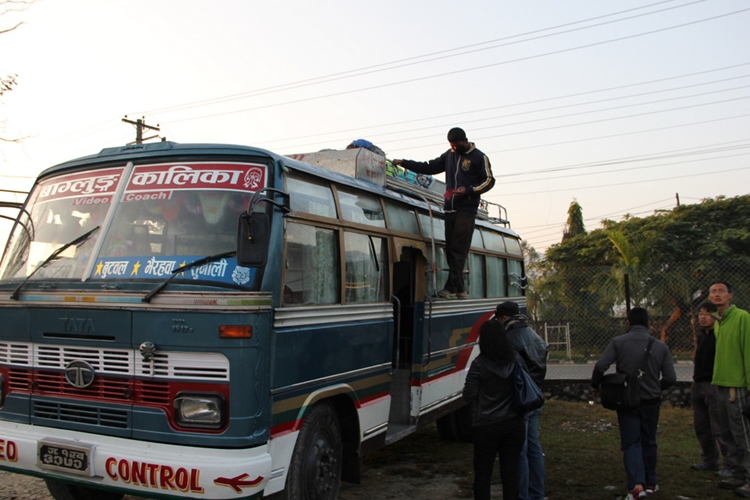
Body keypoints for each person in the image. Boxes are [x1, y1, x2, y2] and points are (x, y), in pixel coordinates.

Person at [392, 127, 495, 300]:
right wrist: (404, 162)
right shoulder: (449, 155)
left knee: (458, 249)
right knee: (450, 250)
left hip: (466, 209)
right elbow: (429, 167)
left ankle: (450, 288)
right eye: (451, 145)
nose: (454, 148)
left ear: (464, 141)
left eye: (456, 145)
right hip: (450, 208)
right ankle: (460, 288)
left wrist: (469, 190)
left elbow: (489, 181)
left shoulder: (479, 157)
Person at [591, 307, 676, 500]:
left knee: (631, 442)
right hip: (651, 401)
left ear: (628, 323)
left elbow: (601, 366)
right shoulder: (661, 346)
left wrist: (595, 384)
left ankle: (636, 486)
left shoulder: (618, 342)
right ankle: (650, 482)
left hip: (627, 400)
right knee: (649, 440)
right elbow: (671, 377)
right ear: (648, 324)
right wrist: (656, 388)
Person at [463, 319, 526, 500]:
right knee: (510, 474)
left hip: (486, 425)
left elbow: (469, 395)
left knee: (483, 475)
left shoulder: (479, 364)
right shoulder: (516, 359)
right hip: (514, 423)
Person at [495, 301, 548, 500]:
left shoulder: (509, 339)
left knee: (519, 451)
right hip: (535, 397)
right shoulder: (535, 336)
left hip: (518, 401)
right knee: (534, 449)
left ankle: (522, 495)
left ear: (503, 318)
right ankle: (537, 494)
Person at [708, 281, 750, 496]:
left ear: (730, 295)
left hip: (737, 385)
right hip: (721, 384)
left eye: (721, 291)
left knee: (742, 432)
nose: (717, 295)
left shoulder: (742, 317)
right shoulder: (718, 321)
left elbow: (748, 352)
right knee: (727, 432)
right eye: (713, 292)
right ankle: (737, 473)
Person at [690, 301, 730, 476]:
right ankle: (709, 460)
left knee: (719, 427)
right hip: (697, 384)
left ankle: (729, 465)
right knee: (701, 426)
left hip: (714, 385)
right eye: (701, 314)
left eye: (707, 314)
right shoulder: (701, 335)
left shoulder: (720, 335)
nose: (703, 317)